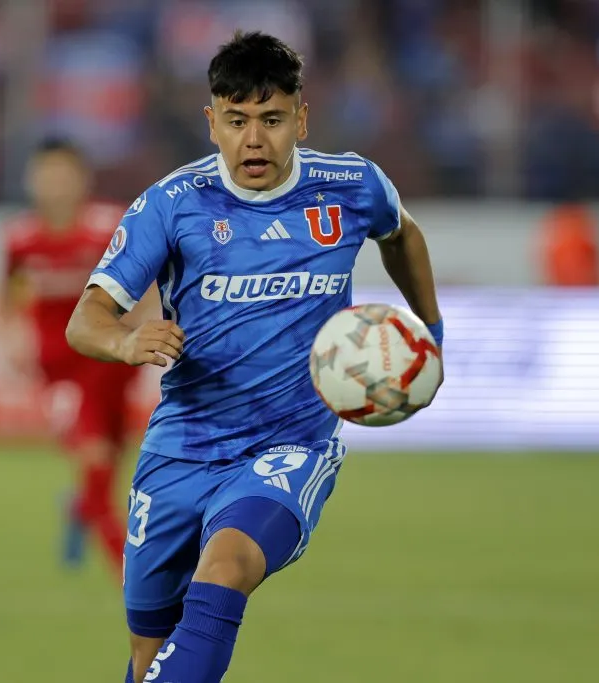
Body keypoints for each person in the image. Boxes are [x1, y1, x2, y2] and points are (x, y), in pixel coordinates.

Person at [66, 32, 444, 682]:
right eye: (237, 121)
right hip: (180, 449)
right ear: (211, 121)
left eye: (271, 120)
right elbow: (86, 319)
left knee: (228, 563)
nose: (254, 140)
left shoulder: (351, 187)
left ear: (301, 117)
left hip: (290, 444)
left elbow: (402, 234)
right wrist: (128, 340)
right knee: (147, 654)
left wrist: (430, 331)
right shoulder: (172, 205)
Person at [2, 137, 155, 575]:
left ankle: (78, 508)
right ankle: (131, 575)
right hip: (60, 368)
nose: (55, 185)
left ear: (81, 179)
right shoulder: (21, 239)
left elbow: (144, 280)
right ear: (32, 181)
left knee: (109, 456)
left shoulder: (107, 228)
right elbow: (7, 293)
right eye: (46, 175)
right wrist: (9, 334)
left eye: (63, 174)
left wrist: (139, 331)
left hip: (111, 363)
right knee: (94, 459)